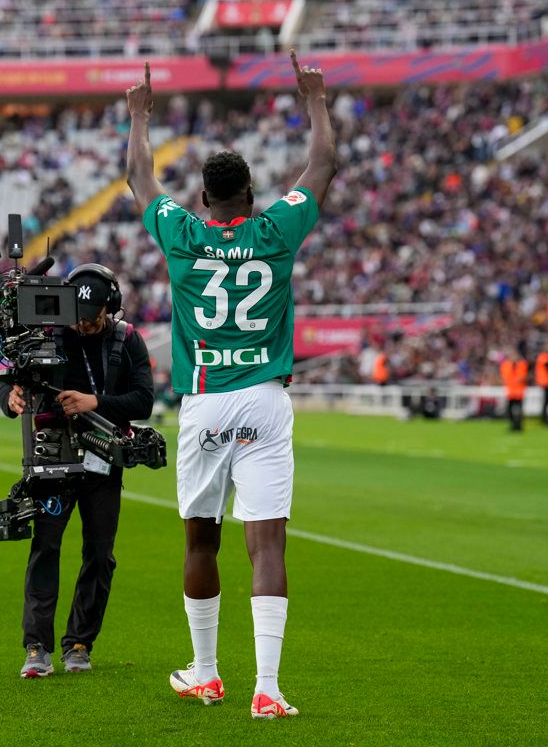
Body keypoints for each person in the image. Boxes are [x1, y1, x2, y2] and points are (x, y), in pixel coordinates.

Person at [125, 50, 336, 720]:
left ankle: (207, 673)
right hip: (268, 401)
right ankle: (268, 688)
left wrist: (138, 115)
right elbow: (323, 165)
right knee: (267, 543)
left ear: (206, 200)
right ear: (249, 196)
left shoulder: (183, 232)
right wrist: (315, 102)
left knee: (200, 540)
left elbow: (137, 176)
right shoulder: (276, 230)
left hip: (208, 399)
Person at [0, 264, 154, 678]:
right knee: (45, 549)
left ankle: (80, 643)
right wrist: (9, 398)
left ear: (112, 306)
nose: (84, 324)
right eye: (78, 315)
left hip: (104, 461)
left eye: (94, 315)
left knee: (99, 555)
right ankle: (36, 648)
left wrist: (95, 402)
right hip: (51, 461)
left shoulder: (128, 339)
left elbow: (143, 401)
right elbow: (10, 384)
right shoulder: (43, 335)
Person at [500, 349, 528, 432]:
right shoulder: (506, 365)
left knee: (519, 410)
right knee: (510, 410)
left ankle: (518, 425)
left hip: (519, 392)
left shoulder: (522, 364)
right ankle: (513, 425)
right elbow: (505, 377)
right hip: (511, 392)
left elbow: (524, 376)